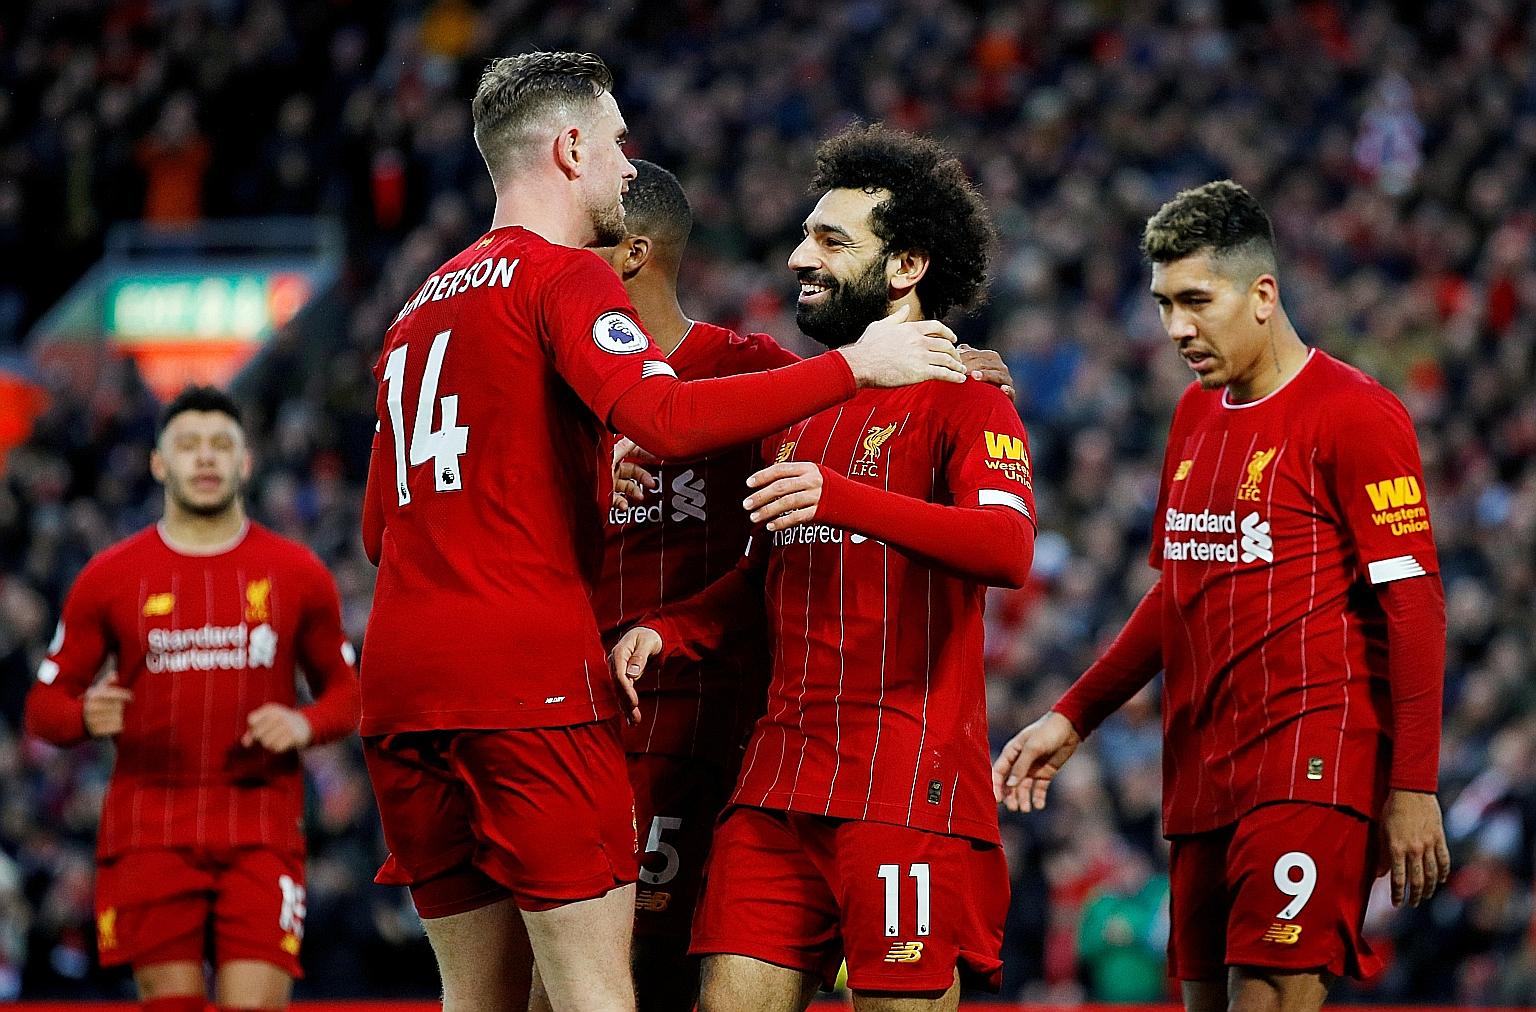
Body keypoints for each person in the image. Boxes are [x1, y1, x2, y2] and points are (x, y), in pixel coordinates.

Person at [357, 53, 971, 1012]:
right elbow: (672, 421)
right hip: (526, 679)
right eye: (614, 144)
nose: (624, 164)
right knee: (597, 993)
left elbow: (376, 531)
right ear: (569, 150)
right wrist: (860, 362)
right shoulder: (563, 276)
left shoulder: (414, 311)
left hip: (398, 689)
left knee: (475, 1002)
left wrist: (576, 477)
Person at [992, 180, 1451, 1012]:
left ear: (1263, 295)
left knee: (1269, 994)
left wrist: (1412, 785)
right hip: (1199, 768)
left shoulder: (1357, 416)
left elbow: (1413, 607)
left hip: (1310, 757)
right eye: (1165, 304)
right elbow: (1179, 592)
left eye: (1197, 301)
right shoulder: (1194, 417)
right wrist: (1074, 715)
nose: (1176, 329)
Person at [610, 124, 1036, 1012]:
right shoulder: (803, 412)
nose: (800, 255)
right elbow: (760, 578)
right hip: (776, 779)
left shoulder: (967, 400)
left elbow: (1007, 550)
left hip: (902, 781)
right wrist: (669, 629)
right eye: (805, 234)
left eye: (831, 241)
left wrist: (842, 499)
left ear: (907, 265)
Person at [24, 385, 361, 1012]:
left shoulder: (297, 573)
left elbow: (348, 695)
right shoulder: (110, 576)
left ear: (245, 462)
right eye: (188, 445)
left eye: (220, 446)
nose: (204, 459)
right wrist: (82, 715)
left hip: (261, 829)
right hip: (148, 831)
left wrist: (305, 723)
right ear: (159, 462)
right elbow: (44, 708)